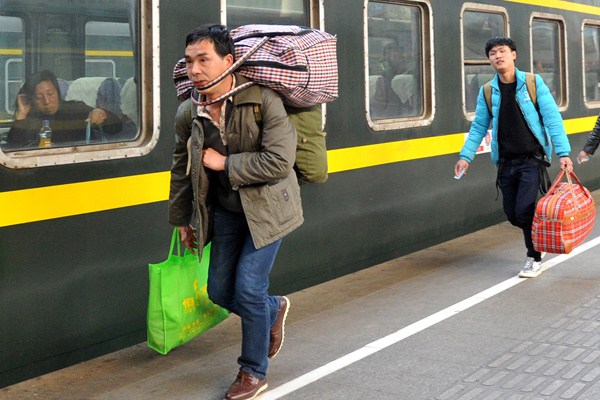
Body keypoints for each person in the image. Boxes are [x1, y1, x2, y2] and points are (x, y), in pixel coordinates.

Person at [168, 24, 303, 400]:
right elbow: (181, 167)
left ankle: (252, 371)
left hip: (269, 210)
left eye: (203, 60)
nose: (195, 69)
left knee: (247, 288)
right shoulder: (188, 112)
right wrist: (182, 219)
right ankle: (272, 308)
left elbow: (279, 161)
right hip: (225, 211)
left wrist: (222, 164)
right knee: (219, 290)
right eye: (189, 61)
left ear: (227, 61)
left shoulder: (263, 100)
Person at [454, 37, 573, 278]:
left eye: (502, 51)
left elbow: (552, 119)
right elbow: (479, 126)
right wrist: (465, 157)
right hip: (506, 163)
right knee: (512, 214)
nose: (498, 56)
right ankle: (538, 235)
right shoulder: (487, 91)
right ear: (489, 59)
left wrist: (563, 153)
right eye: (492, 53)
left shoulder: (532, 82)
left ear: (513, 54)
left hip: (531, 160)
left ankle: (534, 256)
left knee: (524, 210)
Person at [4, 70, 123, 150]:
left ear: (57, 91)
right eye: (39, 97)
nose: (46, 101)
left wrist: (103, 115)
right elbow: (14, 146)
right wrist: (21, 115)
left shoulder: (75, 109)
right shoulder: (32, 118)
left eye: (50, 94)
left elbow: (116, 127)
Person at [370, 43, 414, 119]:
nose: (391, 56)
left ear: (402, 55)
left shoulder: (413, 72)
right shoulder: (386, 73)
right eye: (387, 54)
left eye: (394, 53)